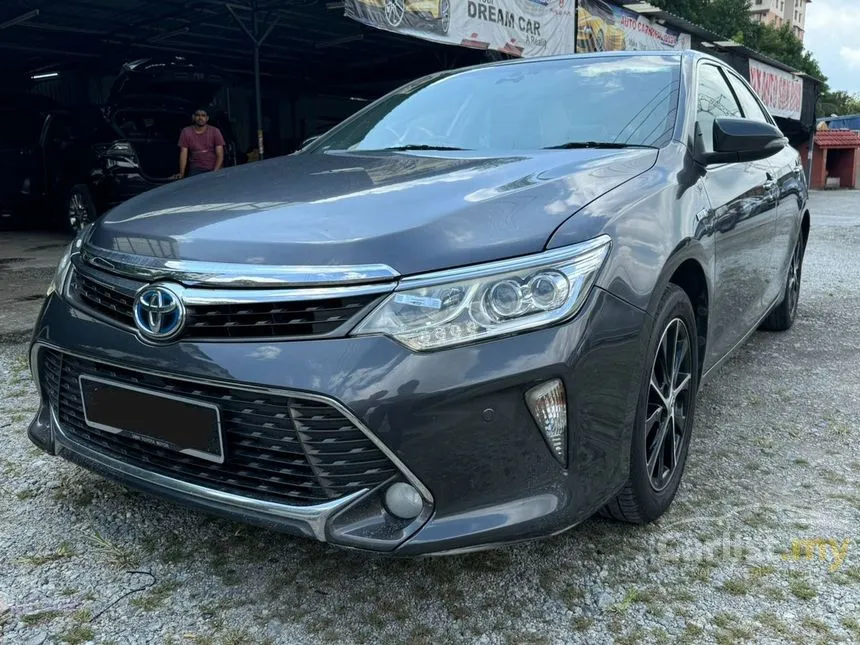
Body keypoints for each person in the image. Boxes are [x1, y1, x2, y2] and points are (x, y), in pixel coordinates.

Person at [177, 108, 225, 178]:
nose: (200, 118)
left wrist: (215, 172)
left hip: (214, 167)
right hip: (196, 169)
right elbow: (183, 154)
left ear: (207, 118)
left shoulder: (215, 131)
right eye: (197, 115)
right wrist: (182, 173)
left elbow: (220, 155)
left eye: (203, 115)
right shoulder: (186, 132)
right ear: (193, 117)